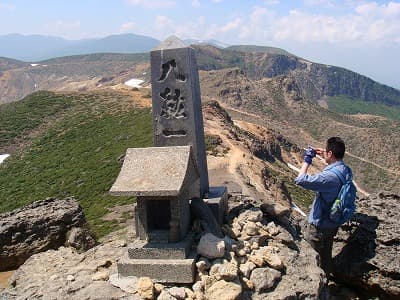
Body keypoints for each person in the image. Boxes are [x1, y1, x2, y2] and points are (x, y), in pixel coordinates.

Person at [295, 137, 353, 275]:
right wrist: (325, 154)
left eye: (326, 150)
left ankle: (314, 283)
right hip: (334, 221)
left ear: (331, 153)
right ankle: (327, 277)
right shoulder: (346, 170)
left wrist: (307, 160)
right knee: (326, 253)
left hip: (319, 224)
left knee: (310, 257)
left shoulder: (329, 177)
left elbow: (300, 180)